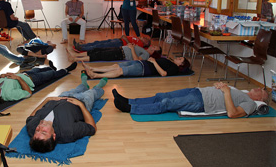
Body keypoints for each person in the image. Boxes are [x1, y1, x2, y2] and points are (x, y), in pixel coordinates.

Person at [26, 73, 108, 152]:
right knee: (92, 92)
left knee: (77, 89)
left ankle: (84, 84)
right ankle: (99, 86)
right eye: (44, 132)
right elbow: (92, 128)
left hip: (61, 97)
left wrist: (46, 100)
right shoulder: (68, 132)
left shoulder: (32, 128)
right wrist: (81, 105)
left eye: (37, 131)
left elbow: (31, 117)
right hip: (82, 101)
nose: (40, 127)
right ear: (53, 136)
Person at [112, 82, 270, 118]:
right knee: (161, 96)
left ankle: (130, 109)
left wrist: (227, 91)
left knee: (167, 104)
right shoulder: (242, 91)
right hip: (197, 91)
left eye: (260, 91)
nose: (257, 88)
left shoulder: (250, 104)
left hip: (202, 102)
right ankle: (130, 100)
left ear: (260, 99)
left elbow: (232, 113)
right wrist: (219, 85)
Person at [0, 61, 77, 106]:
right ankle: (66, 69)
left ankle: (52, 68)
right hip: (33, 80)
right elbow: (28, 93)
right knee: (52, 74)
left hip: (26, 74)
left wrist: (0, 76)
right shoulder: (8, 94)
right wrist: (17, 78)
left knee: (40, 69)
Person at [82, 56, 190, 79]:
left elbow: (163, 74)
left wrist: (154, 62)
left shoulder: (174, 68)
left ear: (181, 64)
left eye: (180, 59)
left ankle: (95, 75)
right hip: (141, 63)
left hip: (144, 69)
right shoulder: (169, 61)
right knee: (116, 65)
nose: (178, 58)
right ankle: (93, 69)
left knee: (120, 71)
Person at [66, 44, 161, 62]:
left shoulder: (146, 54)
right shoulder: (144, 49)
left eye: (155, 47)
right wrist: (131, 45)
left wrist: (132, 48)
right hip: (119, 49)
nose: (153, 45)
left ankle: (76, 59)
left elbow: (136, 60)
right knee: (96, 50)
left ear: (154, 52)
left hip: (120, 54)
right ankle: (76, 55)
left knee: (99, 55)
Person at [73, 35, 151, 52]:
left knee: (100, 46)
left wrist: (126, 39)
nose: (144, 37)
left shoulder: (140, 45)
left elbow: (131, 46)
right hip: (118, 40)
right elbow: (126, 37)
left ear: (146, 43)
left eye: (146, 39)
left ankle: (82, 48)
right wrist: (124, 37)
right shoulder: (137, 38)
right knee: (98, 42)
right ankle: (80, 45)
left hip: (120, 44)